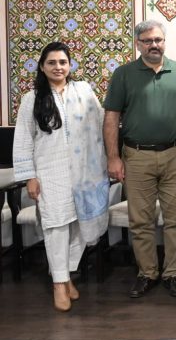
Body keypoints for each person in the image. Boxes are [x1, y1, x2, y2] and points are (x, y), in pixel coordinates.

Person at [13, 42, 110, 312]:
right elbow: (23, 140)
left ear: (70, 65)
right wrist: (30, 177)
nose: (58, 67)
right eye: (52, 63)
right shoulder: (32, 99)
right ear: (42, 67)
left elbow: (101, 122)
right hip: (50, 173)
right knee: (56, 227)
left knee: (80, 225)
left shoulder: (84, 91)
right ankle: (59, 283)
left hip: (85, 172)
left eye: (63, 62)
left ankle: (66, 276)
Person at [103, 20, 176, 298]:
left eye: (158, 40)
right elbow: (111, 117)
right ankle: (147, 273)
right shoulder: (124, 74)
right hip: (136, 155)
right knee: (140, 220)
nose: (154, 45)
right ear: (138, 44)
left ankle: (173, 273)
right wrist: (113, 157)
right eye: (148, 40)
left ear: (165, 41)